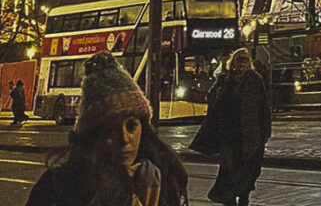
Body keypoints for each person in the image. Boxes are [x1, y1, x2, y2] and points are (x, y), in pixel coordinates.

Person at [25, 51, 188, 206]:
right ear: (93, 134)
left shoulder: (165, 181)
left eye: (131, 126)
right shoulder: (59, 188)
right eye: (111, 129)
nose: (124, 138)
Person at [191, 46, 271, 206]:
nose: (241, 63)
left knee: (250, 170)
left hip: (250, 134)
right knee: (229, 170)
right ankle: (229, 200)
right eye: (238, 60)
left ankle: (243, 196)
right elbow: (212, 100)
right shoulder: (225, 80)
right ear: (232, 62)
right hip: (229, 134)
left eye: (244, 60)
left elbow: (264, 107)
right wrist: (221, 85)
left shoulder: (255, 80)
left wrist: (266, 131)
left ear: (249, 63)